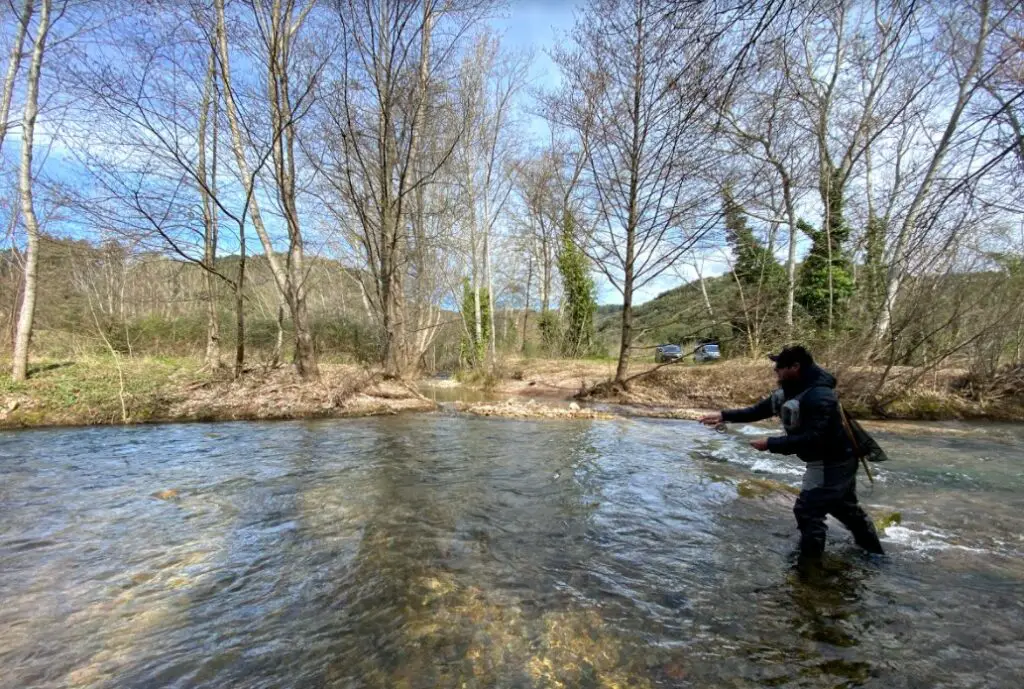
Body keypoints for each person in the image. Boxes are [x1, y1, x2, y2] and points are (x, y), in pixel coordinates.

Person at [700, 345, 884, 559]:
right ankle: (874, 555)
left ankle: (809, 571)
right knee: (844, 509)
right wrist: (723, 415)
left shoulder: (821, 396)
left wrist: (771, 443)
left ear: (795, 366)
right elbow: (758, 410)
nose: (775, 370)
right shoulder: (790, 391)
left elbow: (815, 439)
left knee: (808, 511)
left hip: (834, 461)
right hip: (829, 460)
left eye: (779, 366)